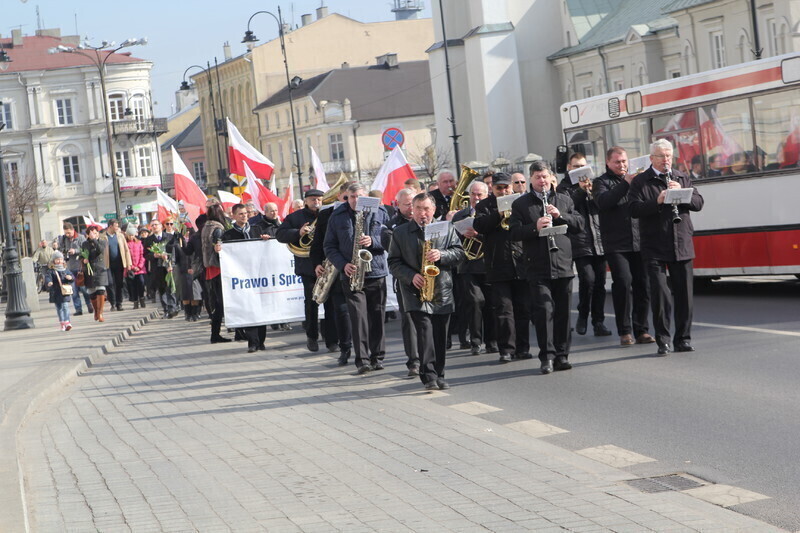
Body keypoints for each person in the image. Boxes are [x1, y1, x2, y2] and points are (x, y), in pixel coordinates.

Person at [629, 139, 704, 355]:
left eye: (669, 156)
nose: (666, 160)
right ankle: (663, 340)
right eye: (661, 156)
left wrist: (682, 193)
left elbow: (699, 203)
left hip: (681, 243)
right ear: (652, 158)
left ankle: (683, 339)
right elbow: (633, 209)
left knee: (684, 295)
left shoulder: (681, 177)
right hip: (655, 245)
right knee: (661, 295)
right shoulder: (641, 181)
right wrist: (658, 201)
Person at [508, 161, 583, 374]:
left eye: (545, 177)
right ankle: (547, 357)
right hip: (537, 266)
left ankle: (562, 355)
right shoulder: (521, 205)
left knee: (562, 313)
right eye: (538, 177)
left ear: (551, 178)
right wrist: (534, 227)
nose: (542, 181)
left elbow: (579, 225)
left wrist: (561, 216)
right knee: (544, 311)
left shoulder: (565, 200)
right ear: (531, 179)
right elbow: (513, 234)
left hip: (563, 263)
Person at [388, 192, 465, 391]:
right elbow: (394, 263)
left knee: (441, 336)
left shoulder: (447, 228)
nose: (423, 213)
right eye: (419, 209)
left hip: (442, 290)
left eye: (427, 209)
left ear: (434, 210)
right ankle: (429, 376)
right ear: (412, 210)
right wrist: (411, 276)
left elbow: (459, 253)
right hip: (415, 291)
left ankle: (440, 374)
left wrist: (442, 254)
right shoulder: (400, 232)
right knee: (425, 334)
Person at [324, 183, 389, 374]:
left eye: (359, 196)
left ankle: (378, 357)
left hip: (375, 271)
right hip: (351, 274)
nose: (355, 200)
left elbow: (390, 239)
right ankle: (362, 360)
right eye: (351, 197)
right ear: (346, 198)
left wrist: (374, 241)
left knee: (377, 316)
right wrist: (343, 265)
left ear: (366, 196)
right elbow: (329, 246)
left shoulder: (380, 212)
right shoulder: (336, 216)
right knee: (358, 317)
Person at [593, 147, 655, 346]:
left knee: (643, 284)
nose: (622, 165)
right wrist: (626, 183)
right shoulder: (601, 182)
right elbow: (604, 202)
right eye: (617, 162)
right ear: (608, 163)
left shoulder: (638, 180)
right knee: (623, 281)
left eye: (624, 161)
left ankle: (642, 329)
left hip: (640, 241)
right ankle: (625, 330)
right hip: (616, 244)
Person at [474, 172, 532, 362]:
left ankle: (523, 348)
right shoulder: (484, 205)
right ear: (492, 188)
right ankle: (506, 349)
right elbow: (480, 225)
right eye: (499, 187)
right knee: (503, 310)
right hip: (498, 264)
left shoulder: (521, 203)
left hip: (521, 262)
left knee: (523, 309)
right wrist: (498, 214)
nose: (503, 190)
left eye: (506, 187)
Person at [558, 159, 611, 337]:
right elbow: (567, 206)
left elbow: (602, 205)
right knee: (587, 280)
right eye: (576, 167)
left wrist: (592, 192)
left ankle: (598, 322)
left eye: (583, 166)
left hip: (598, 239)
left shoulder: (595, 183)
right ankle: (582, 314)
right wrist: (581, 190)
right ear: (569, 168)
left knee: (600, 283)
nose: (580, 170)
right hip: (579, 241)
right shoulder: (564, 187)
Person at [451, 180, 497, 357]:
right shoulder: (459, 216)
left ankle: (492, 341)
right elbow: (451, 240)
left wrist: (480, 233)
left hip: (489, 265)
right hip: (467, 266)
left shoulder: (491, 214)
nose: (476, 198)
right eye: (473, 194)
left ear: (487, 195)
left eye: (480, 195)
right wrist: (461, 234)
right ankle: (476, 341)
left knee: (491, 304)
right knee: (475, 302)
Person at [220, 203, 273, 352]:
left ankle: (261, 341)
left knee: (260, 308)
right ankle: (252, 342)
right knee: (248, 309)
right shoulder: (228, 235)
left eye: (246, 213)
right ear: (234, 216)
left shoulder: (257, 230)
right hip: (242, 277)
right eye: (241, 214)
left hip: (259, 276)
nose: (244, 216)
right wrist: (219, 249)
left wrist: (267, 240)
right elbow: (224, 254)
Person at [277, 189, 325, 351]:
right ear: (305, 201)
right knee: (311, 303)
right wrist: (299, 232)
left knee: (332, 303)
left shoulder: (328, 214)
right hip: (307, 266)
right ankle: (312, 336)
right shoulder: (295, 218)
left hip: (328, 263)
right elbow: (280, 235)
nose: (316, 202)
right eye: (312, 199)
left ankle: (331, 337)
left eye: (319, 199)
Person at [310, 183, 352, 363]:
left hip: (360, 268)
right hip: (335, 268)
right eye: (347, 197)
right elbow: (318, 242)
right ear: (340, 196)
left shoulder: (364, 212)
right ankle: (344, 347)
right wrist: (316, 263)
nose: (350, 201)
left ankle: (367, 352)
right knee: (340, 311)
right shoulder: (326, 214)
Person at [382, 188, 420, 375]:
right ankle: (413, 361)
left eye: (413, 203)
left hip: (429, 276)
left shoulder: (426, 220)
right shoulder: (390, 227)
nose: (412, 208)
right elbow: (394, 253)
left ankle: (431, 355)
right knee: (410, 319)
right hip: (405, 279)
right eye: (407, 204)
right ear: (397, 205)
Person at [201, 204, 230, 343]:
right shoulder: (217, 228)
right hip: (218, 267)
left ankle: (215, 333)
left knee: (218, 302)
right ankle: (215, 334)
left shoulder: (206, 227)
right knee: (220, 303)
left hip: (210, 268)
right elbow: (219, 249)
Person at [142, 219, 180, 319]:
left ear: (161, 226)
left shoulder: (169, 237)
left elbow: (174, 251)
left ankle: (173, 307)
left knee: (170, 286)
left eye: (156, 224)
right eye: (152, 225)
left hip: (168, 266)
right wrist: (154, 255)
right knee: (161, 288)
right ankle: (166, 309)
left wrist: (170, 261)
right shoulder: (148, 240)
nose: (154, 227)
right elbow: (145, 255)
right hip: (157, 267)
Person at [57, 222, 93, 316]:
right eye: (66, 233)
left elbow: (86, 250)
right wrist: (63, 251)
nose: (68, 235)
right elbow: (60, 250)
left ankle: (89, 304)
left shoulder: (80, 237)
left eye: (69, 233)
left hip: (80, 266)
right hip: (69, 267)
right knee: (74, 290)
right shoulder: (63, 239)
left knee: (84, 288)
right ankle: (78, 309)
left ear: (73, 230)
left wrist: (75, 251)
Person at [81, 224, 110, 322]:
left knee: (101, 290)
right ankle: (96, 311)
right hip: (89, 270)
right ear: (87, 235)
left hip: (100, 268)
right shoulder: (85, 244)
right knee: (92, 293)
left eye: (95, 232)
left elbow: (100, 250)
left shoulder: (102, 241)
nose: (93, 234)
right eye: (91, 233)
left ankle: (100, 313)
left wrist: (94, 240)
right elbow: (83, 253)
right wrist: (84, 259)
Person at [101, 219, 132, 311]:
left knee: (119, 283)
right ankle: (113, 303)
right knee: (110, 284)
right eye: (116, 226)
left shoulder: (120, 236)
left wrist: (129, 263)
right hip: (107, 265)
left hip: (119, 263)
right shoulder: (102, 237)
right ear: (110, 226)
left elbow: (126, 250)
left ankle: (119, 303)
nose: (117, 228)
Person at [45, 250, 74, 331]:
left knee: (65, 306)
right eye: (57, 259)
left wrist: (70, 278)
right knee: (59, 308)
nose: (59, 261)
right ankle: (62, 323)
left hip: (64, 292)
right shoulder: (51, 271)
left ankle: (67, 322)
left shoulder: (65, 269)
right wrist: (49, 282)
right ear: (53, 261)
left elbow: (72, 276)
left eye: (61, 259)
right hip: (56, 292)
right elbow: (47, 277)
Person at [124, 226, 147, 309]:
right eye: (129, 235)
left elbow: (142, 255)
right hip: (131, 269)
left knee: (141, 283)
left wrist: (140, 266)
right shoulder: (125, 244)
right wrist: (132, 266)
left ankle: (142, 298)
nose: (131, 237)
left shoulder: (139, 243)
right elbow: (125, 257)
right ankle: (135, 301)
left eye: (132, 235)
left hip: (140, 268)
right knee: (133, 286)